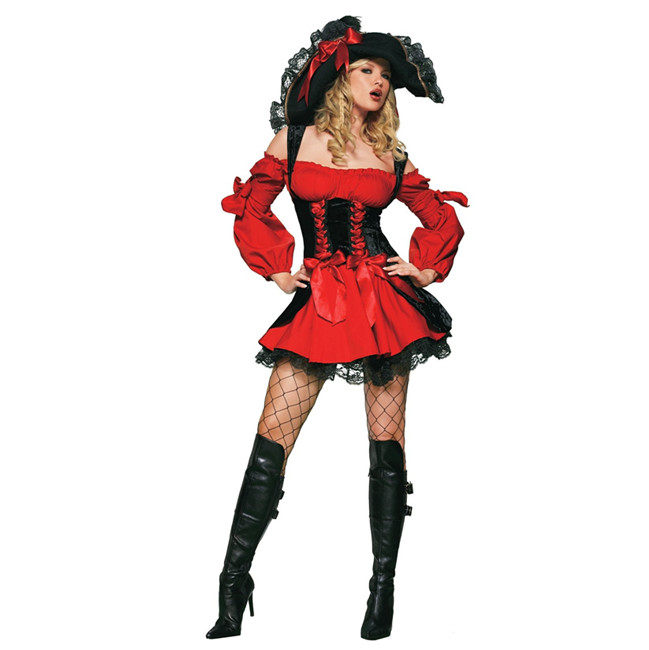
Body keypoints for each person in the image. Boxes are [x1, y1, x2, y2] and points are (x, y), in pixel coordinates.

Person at [206, 16, 469, 641]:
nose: (378, 81)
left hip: (384, 307)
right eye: (366, 69)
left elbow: (439, 216)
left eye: (386, 76)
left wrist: (426, 270)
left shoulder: (390, 154)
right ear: (340, 77)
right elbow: (252, 205)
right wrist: (277, 270)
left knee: (387, 447)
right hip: (320, 301)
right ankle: (233, 585)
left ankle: (382, 590)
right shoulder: (294, 140)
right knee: (272, 441)